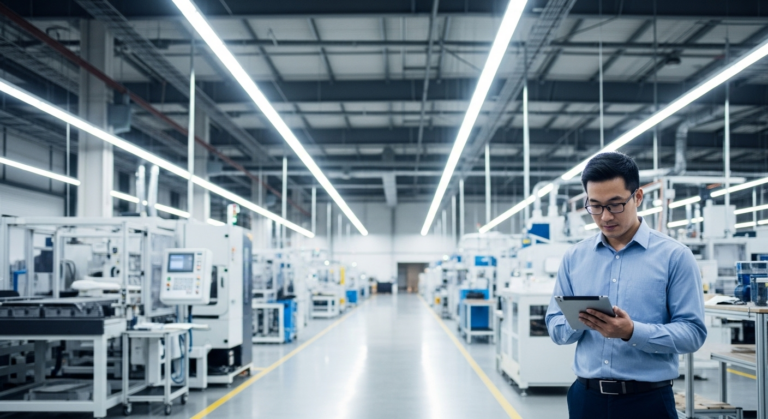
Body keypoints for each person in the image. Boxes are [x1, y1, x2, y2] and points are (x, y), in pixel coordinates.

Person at [545, 152, 706, 419]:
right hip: (586, 400)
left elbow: (693, 333)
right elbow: (554, 324)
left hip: (648, 403)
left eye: (615, 204)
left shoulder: (674, 256)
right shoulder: (575, 257)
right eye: (595, 206)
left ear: (638, 197)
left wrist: (632, 331)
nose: (605, 216)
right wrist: (581, 320)